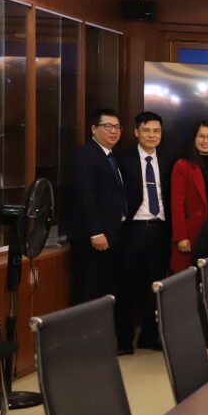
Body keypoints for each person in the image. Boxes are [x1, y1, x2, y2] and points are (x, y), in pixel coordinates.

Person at [116, 111, 172, 354]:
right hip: (132, 230)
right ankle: (124, 341)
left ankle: (150, 336)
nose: (152, 135)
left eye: (156, 131)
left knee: (155, 287)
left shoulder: (169, 159)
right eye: (147, 130)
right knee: (126, 286)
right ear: (136, 132)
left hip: (160, 231)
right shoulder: (122, 159)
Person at [68, 109, 127, 307]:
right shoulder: (85, 155)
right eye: (107, 126)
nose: (114, 131)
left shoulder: (110, 156)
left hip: (111, 236)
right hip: (92, 239)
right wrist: (96, 232)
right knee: (89, 292)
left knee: (104, 290)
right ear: (94, 129)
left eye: (117, 127)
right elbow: (85, 197)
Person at [170, 121, 208, 273]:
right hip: (192, 231)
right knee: (189, 276)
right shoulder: (182, 165)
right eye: (201, 136)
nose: (206, 141)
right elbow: (177, 204)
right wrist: (181, 236)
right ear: (193, 139)